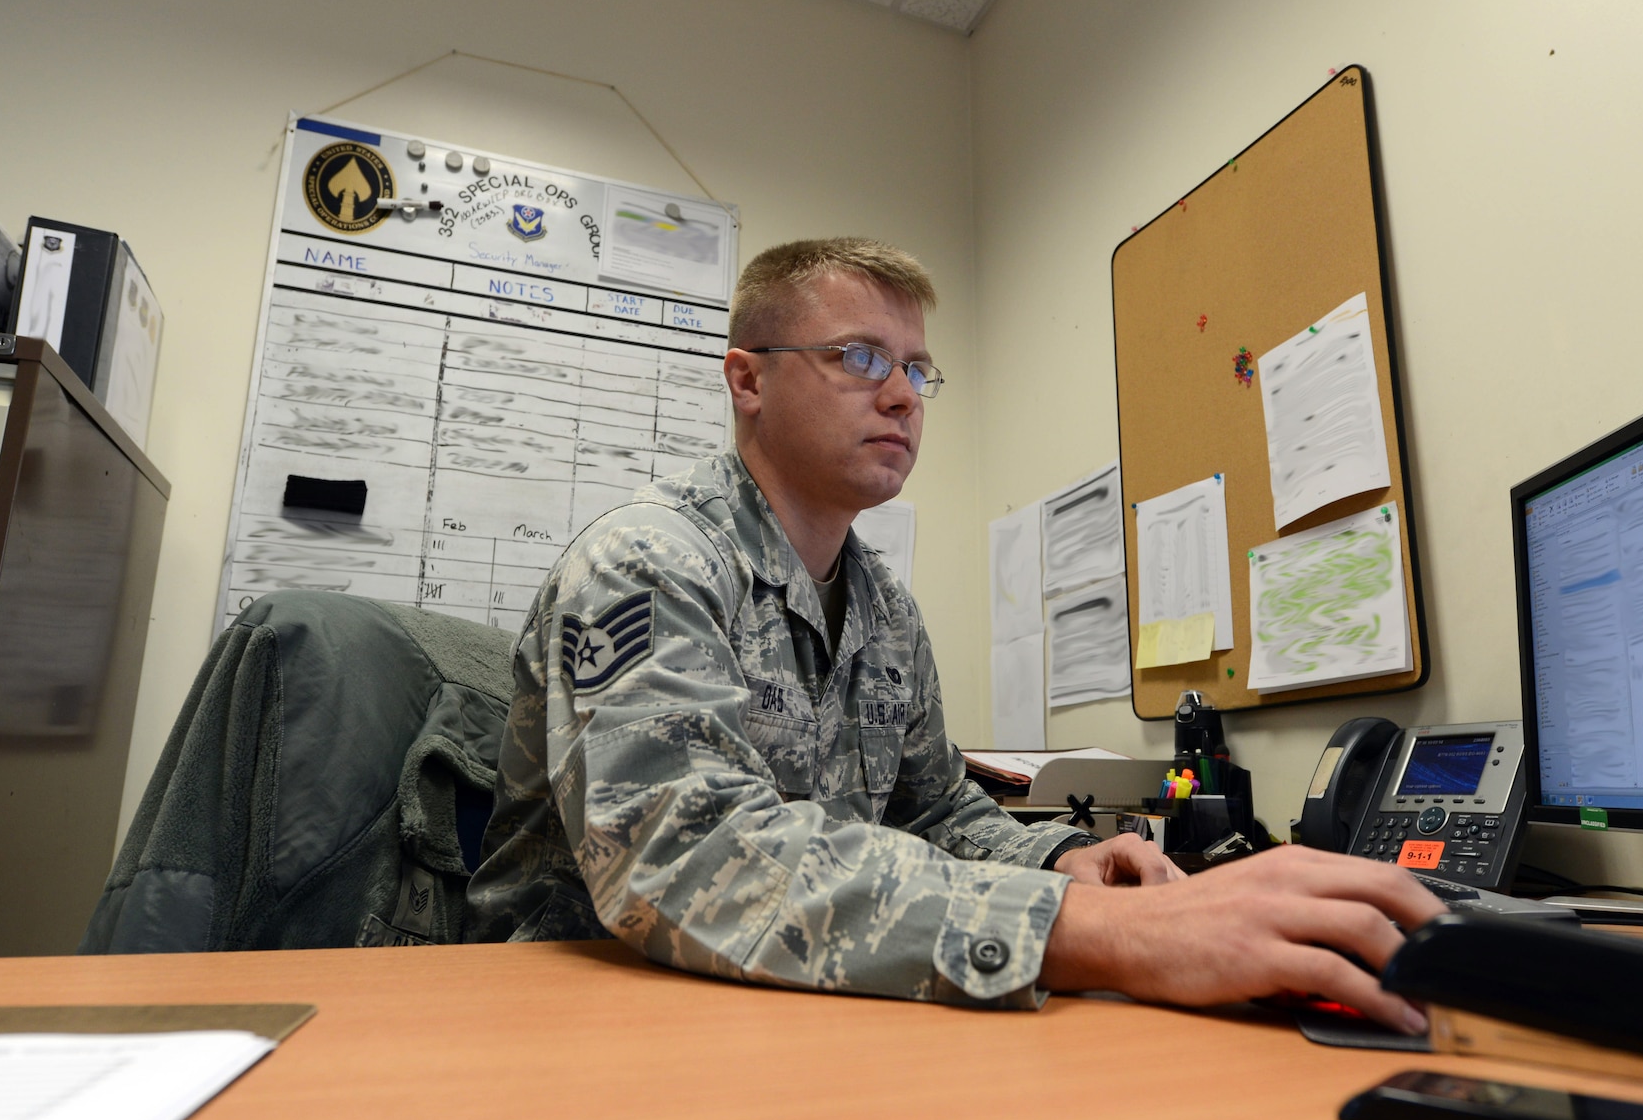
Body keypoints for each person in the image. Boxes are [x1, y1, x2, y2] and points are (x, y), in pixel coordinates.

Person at [466, 237, 1441, 1030]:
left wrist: (1060, 863)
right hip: (582, 1017)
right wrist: (1103, 933)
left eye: (916, 369)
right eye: (858, 358)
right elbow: (689, 861)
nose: (899, 395)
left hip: (778, 1003)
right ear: (746, 381)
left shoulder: (884, 606)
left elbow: (935, 814)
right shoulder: (647, 563)